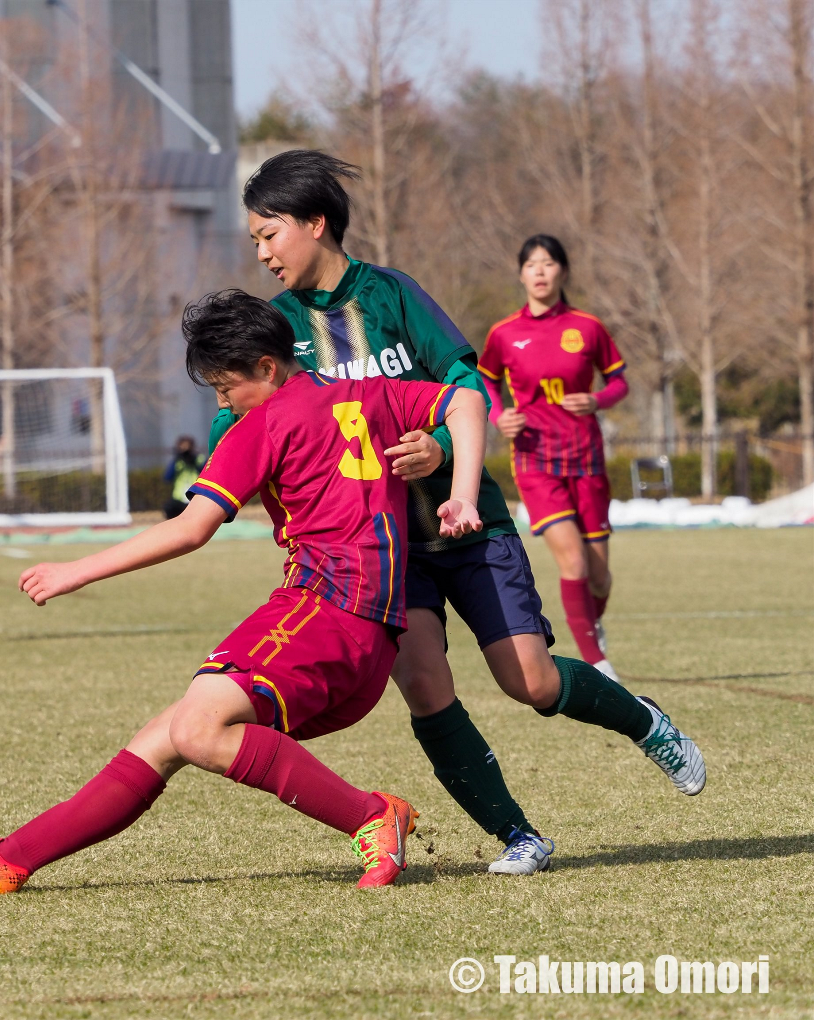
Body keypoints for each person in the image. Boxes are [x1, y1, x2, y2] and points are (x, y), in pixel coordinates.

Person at [213, 150, 703, 876]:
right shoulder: (277, 330)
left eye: (269, 234)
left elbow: (467, 384)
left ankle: (644, 720)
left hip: (468, 525)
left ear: (315, 223)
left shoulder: (392, 295)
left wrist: (440, 449)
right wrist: (222, 467)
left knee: (531, 681)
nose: (262, 252)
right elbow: (242, 415)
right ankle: (518, 836)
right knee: (423, 685)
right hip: (385, 554)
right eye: (254, 239)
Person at [0, 290, 489, 893]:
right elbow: (468, 400)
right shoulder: (370, 393)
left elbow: (190, 529)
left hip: (323, 609)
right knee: (165, 737)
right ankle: (10, 858)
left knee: (196, 730)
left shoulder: (262, 425)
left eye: (225, 388)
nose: (223, 403)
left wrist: (74, 571)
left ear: (266, 367)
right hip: (370, 636)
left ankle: (371, 817)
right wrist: (463, 493)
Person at [480, 235, 628, 680]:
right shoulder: (504, 333)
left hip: (587, 460)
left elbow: (619, 381)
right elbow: (485, 382)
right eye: (532, 264)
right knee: (573, 562)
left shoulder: (588, 327)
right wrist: (499, 415)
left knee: (599, 577)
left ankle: (592, 625)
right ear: (521, 274)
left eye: (548, 263)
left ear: (563, 270)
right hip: (535, 461)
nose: (540, 271)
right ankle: (598, 664)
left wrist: (597, 400)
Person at [162, 435, 205, 518]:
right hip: (178, 499)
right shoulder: (177, 461)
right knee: (169, 508)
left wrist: (194, 461)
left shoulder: (199, 459)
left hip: (195, 498)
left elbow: (206, 473)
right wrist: (177, 459)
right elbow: (167, 478)